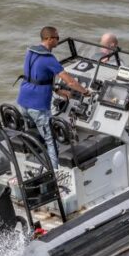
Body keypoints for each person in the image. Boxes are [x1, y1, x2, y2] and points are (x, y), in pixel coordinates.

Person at [17, 26, 90, 169]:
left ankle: (31, 163)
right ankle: (55, 174)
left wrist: (57, 90)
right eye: (57, 37)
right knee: (51, 142)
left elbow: (36, 77)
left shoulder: (30, 51)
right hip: (37, 106)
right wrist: (85, 92)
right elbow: (70, 82)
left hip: (23, 102)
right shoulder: (49, 58)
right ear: (49, 39)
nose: (58, 39)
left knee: (33, 133)